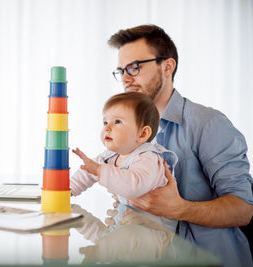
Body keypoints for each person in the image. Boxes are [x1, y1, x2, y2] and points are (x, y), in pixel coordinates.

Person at [106, 24, 253, 267]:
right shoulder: (126, 130)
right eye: (121, 70)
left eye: (134, 67)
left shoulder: (209, 124)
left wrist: (178, 209)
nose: (125, 77)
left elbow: (244, 209)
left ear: (167, 66)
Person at [70, 91, 179, 232]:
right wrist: (68, 190)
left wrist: (99, 170)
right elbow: (88, 172)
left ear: (142, 134)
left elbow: (134, 186)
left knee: (113, 244)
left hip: (154, 232)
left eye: (117, 122)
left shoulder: (148, 157)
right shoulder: (109, 156)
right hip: (128, 224)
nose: (107, 128)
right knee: (107, 241)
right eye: (105, 122)